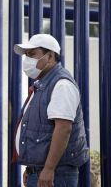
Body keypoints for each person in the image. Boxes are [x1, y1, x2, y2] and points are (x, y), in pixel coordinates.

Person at [13, 34, 89, 187]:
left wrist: (48, 169)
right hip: (42, 172)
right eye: (27, 55)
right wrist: (31, 168)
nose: (27, 60)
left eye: (32, 54)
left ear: (50, 56)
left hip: (56, 174)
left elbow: (63, 129)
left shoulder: (61, 85)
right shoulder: (43, 84)